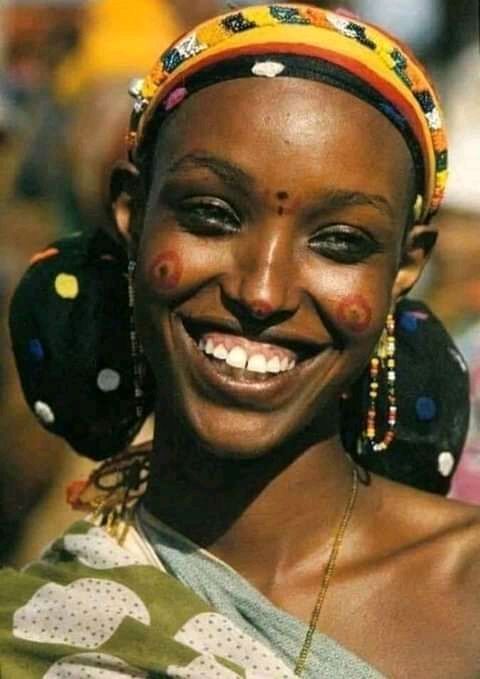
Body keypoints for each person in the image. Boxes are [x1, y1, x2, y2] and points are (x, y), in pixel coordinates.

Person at [0, 4, 477, 677]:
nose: (262, 291)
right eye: (212, 215)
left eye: (340, 242)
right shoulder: (39, 629)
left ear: (405, 266)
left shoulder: (466, 590)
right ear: (132, 213)